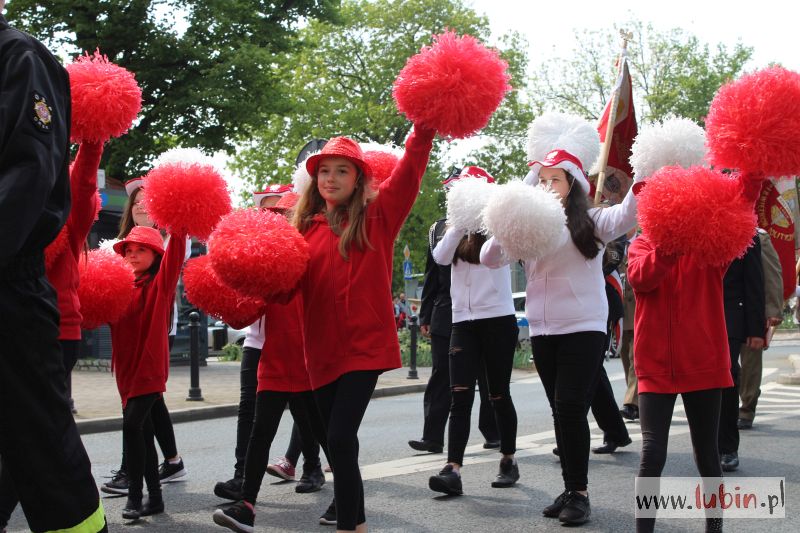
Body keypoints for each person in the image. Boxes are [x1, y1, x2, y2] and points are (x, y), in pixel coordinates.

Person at [481, 142, 639, 525]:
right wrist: (512, 211)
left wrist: (646, 170)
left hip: (583, 327)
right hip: (543, 329)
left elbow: (627, 216)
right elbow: (489, 257)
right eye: (543, 179)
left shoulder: (593, 220)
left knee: (569, 407)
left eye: (556, 179)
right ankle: (570, 488)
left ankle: (580, 493)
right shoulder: (529, 223)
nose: (548, 184)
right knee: (560, 410)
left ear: (574, 183)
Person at [291, 126, 436, 532]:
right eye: (324, 171)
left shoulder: (378, 216)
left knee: (338, 437)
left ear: (358, 179)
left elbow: (409, 171)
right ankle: (355, 519)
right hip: (319, 351)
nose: (331, 179)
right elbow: (282, 288)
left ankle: (348, 525)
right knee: (338, 444)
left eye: (342, 171)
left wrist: (422, 130)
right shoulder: (302, 228)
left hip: (364, 348)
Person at [0, 4, 107, 531]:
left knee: (43, 448)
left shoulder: (19, 56)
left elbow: (32, 173)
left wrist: (93, 143)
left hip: (11, 294)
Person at [628, 172, 763, 533]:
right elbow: (641, 279)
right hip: (655, 364)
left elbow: (741, 208)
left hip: (704, 362)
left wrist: (755, 170)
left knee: (708, 455)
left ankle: (714, 528)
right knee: (652, 455)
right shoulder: (641, 245)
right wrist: (668, 246)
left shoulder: (710, 249)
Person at [213, 194, 330, 532]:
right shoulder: (264, 263)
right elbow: (245, 316)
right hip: (274, 359)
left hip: (306, 360)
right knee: (260, 433)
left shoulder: (308, 254)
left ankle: (346, 494)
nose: (277, 219)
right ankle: (247, 504)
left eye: (284, 214)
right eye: (272, 215)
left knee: (323, 432)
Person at [426, 167, 521, 496]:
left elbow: (495, 258)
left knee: (497, 394)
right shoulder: (454, 230)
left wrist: (484, 221)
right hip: (462, 321)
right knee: (460, 396)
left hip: (496, 319)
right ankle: (453, 468)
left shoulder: (499, 230)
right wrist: (458, 224)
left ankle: (508, 458)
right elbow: (439, 257)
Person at [102, 178, 187, 495]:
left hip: (155, 334)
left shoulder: (166, 251)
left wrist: (177, 220)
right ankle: (168, 466)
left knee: (138, 410)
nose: (140, 204)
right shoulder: (120, 248)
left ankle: (132, 473)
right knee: (148, 406)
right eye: (136, 200)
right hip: (126, 344)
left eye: (148, 200)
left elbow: (175, 257)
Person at [410, 167, 501, 455]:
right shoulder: (439, 228)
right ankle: (432, 436)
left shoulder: (492, 224)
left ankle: (494, 432)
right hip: (446, 311)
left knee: (487, 376)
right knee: (441, 375)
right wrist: (425, 314)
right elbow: (432, 274)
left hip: (483, 308)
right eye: (450, 190)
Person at [719, 235, 765, 472]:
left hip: (730, 314)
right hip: (697, 312)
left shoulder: (746, 232)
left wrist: (756, 329)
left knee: (727, 374)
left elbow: (754, 282)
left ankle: (727, 447)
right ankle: (707, 444)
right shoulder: (692, 222)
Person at [738, 228, 783, 429]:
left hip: (752, 308)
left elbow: (772, 274)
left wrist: (773, 309)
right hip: (723, 307)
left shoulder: (759, 236)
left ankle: (747, 407)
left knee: (751, 360)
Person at [618, 230, 639, 421]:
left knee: (636, 356)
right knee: (625, 354)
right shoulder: (615, 241)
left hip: (639, 306)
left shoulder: (642, 239)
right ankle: (635, 399)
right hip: (621, 308)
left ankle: (631, 403)